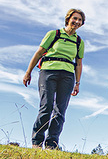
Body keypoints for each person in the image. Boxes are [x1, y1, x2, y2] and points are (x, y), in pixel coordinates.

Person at [23, 8, 85, 149]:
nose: (76, 22)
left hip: (68, 75)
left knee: (60, 110)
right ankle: (37, 142)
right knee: (47, 106)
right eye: (74, 18)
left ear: (82, 24)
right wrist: (28, 72)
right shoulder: (54, 34)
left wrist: (77, 83)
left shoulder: (79, 42)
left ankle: (52, 143)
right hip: (48, 72)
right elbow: (39, 53)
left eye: (80, 20)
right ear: (68, 19)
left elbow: (79, 63)